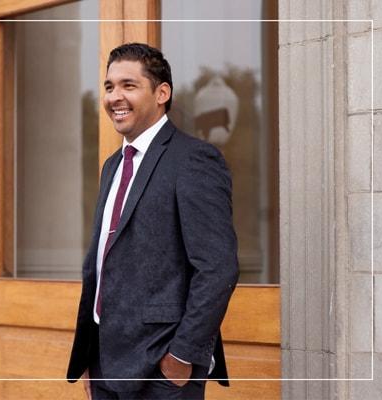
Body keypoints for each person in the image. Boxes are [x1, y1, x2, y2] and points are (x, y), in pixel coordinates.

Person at [66, 43, 239, 400]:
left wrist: (182, 355)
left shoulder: (194, 159)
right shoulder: (112, 166)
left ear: (162, 93)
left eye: (129, 85)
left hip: (162, 371)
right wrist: (89, 352)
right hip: (104, 363)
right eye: (110, 86)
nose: (115, 96)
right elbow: (105, 263)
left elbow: (217, 268)